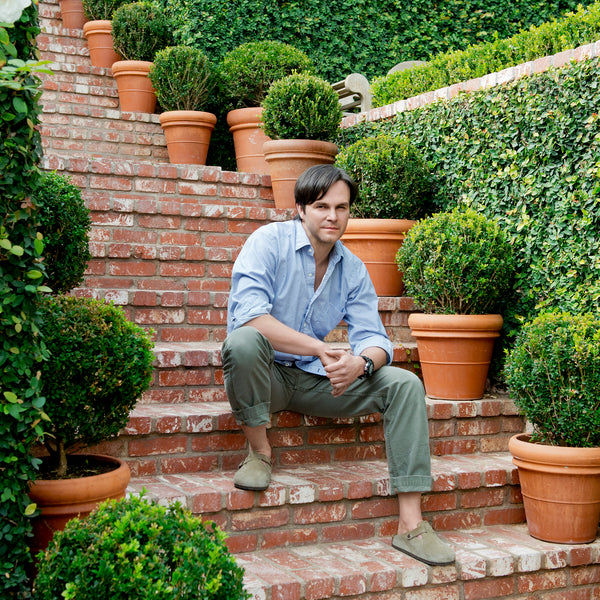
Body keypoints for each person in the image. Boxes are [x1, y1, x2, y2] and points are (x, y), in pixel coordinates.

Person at [221, 164, 455, 566]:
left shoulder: (354, 269)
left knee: (403, 383)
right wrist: (317, 348)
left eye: (341, 207)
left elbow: (376, 339)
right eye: (321, 206)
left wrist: (361, 365)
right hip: (266, 376)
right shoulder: (268, 243)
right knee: (242, 342)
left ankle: (411, 525)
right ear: (300, 208)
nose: (332, 216)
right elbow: (250, 317)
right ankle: (259, 452)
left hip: (317, 382)